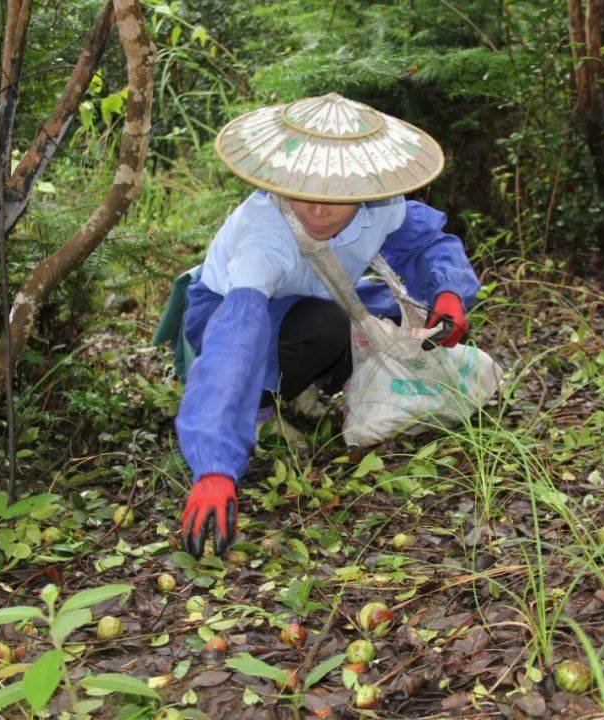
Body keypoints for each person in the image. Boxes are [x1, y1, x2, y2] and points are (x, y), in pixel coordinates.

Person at [173, 93, 479, 558]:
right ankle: (262, 406)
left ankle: (309, 385)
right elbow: (236, 341)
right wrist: (215, 467)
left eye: (334, 198)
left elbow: (425, 245)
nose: (318, 212)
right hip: (227, 312)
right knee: (325, 325)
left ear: (359, 187)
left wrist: (449, 294)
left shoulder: (380, 206)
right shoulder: (264, 237)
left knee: (392, 318)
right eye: (305, 195)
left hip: (317, 298)